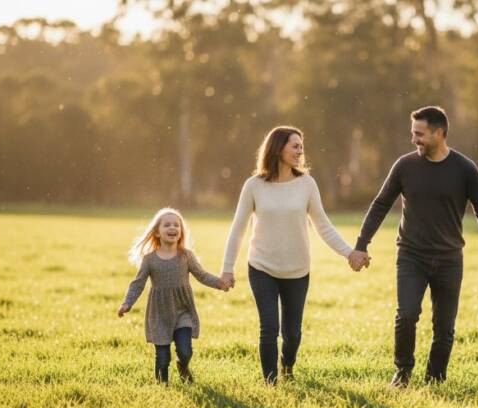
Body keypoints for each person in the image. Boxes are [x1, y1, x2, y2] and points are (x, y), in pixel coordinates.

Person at [348, 106, 478, 387]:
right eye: (413, 133)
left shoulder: (465, 169)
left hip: (449, 259)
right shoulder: (405, 166)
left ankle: (435, 379)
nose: (414, 139)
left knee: (444, 329)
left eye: (419, 134)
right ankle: (403, 371)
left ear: (439, 133)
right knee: (406, 315)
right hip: (411, 255)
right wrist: (361, 245)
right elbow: (381, 204)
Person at [220, 126, 359, 385]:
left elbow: (323, 226)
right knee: (269, 328)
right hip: (261, 267)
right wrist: (227, 269)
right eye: (294, 145)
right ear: (278, 147)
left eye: (301, 146)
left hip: (297, 270)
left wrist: (349, 253)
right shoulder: (254, 186)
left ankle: (287, 365)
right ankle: (270, 383)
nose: (300, 151)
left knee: (292, 334)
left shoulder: (307, 184)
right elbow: (237, 229)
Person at [118, 207, 228, 384]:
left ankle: (183, 366)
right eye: (167, 225)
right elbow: (138, 283)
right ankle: (163, 388)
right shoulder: (150, 260)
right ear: (157, 232)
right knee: (162, 358)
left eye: (177, 225)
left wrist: (219, 283)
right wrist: (127, 303)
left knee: (185, 351)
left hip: (182, 310)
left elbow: (202, 275)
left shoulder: (186, 256)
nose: (173, 227)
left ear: (181, 231)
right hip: (160, 313)